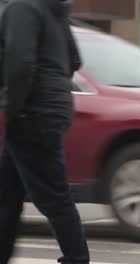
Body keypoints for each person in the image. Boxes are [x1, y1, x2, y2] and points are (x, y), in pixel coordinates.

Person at [0, 0, 90, 263]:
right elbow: (74, 59)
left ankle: (77, 258)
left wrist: (9, 106)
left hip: (31, 111)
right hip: (49, 108)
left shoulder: (22, 7)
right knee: (7, 194)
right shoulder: (50, 8)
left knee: (53, 196)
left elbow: (20, 63)